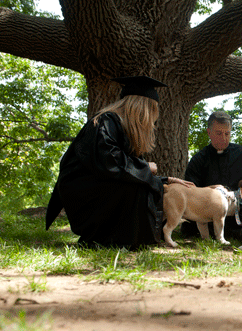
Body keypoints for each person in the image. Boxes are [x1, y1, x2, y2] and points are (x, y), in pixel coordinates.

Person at [45, 76, 194, 249]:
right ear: (141, 109)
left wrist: (165, 179)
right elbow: (109, 161)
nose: (153, 118)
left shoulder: (121, 128)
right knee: (137, 187)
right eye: (152, 110)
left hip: (98, 183)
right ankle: (111, 239)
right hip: (81, 188)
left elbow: (126, 168)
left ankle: (124, 240)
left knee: (148, 184)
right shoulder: (105, 121)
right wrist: (146, 168)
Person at [180, 111, 242, 240]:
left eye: (227, 133)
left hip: (238, 212)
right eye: (219, 133)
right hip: (208, 213)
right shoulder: (198, 159)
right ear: (209, 132)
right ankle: (238, 234)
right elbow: (191, 191)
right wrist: (211, 190)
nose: (224, 138)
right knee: (192, 223)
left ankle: (241, 231)